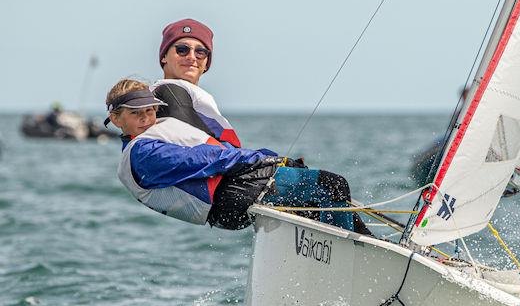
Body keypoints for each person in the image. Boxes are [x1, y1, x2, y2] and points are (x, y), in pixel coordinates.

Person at [106, 77, 369, 233]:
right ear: (116, 119)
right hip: (233, 195)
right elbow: (202, 160)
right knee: (332, 185)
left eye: (150, 111)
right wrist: (259, 158)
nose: (145, 118)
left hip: (228, 203)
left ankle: (357, 250)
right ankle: (365, 252)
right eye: (135, 113)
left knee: (314, 208)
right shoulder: (142, 153)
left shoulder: (148, 140)